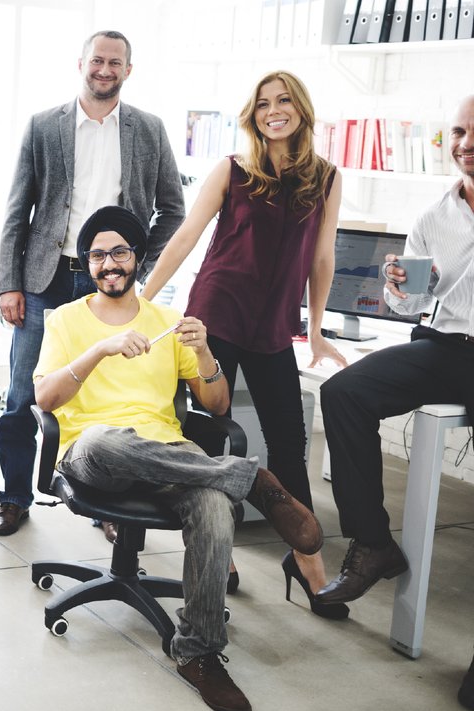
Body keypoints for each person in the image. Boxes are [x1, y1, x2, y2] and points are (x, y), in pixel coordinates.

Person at [35, 205, 320, 711]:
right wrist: (100, 349)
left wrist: (206, 353)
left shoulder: (168, 323)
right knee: (103, 439)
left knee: (212, 504)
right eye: (98, 255)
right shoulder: (65, 320)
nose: (109, 264)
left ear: (138, 257)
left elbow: (216, 407)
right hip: (94, 452)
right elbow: (47, 401)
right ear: (88, 264)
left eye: (119, 251)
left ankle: (200, 652)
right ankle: (249, 478)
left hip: (171, 455)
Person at [140, 71, 345, 617]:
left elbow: (322, 258)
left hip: (275, 323)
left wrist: (318, 329)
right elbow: (186, 237)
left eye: (283, 101)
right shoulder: (232, 170)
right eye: (262, 104)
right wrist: (144, 300)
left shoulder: (325, 177)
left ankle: (307, 561)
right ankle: (215, 546)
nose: (273, 111)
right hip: (218, 313)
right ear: (252, 114)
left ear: (300, 108)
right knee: (209, 430)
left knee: (288, 440)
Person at [0, 29, 185, 537]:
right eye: (97, 60)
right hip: (46, 277)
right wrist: (9, 283)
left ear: (128, 70)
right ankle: (14, 496)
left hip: (115, 279)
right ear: (80, 63)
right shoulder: (42, 126)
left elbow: (174, 210)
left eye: (115, 62)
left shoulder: (149, 128)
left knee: (105, 389)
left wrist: (138, 266)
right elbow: (18, 209)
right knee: (23, 393)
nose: (105, 69)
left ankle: (105, 503)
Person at [316, 95, 474, 710]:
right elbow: (415, 307)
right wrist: (398, 288)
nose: (464, 143)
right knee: (345, 393)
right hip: (444, 346)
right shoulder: (436, 214)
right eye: (459, 132)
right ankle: (374, 541)